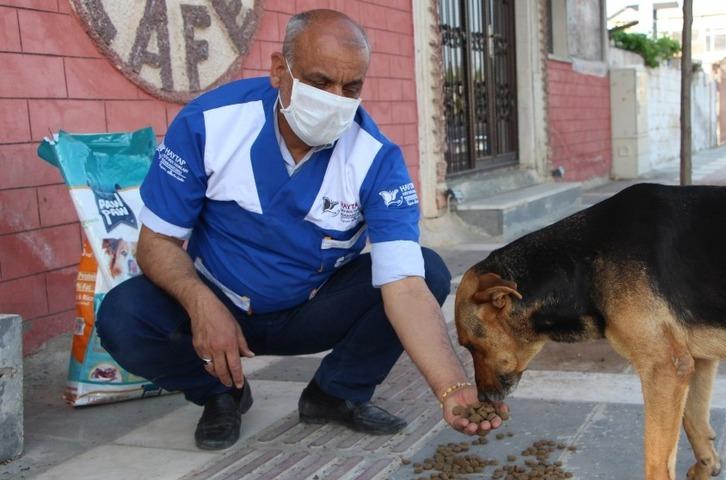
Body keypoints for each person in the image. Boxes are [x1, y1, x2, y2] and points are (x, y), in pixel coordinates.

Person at [96, 9, 506, 450]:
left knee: (426, 271)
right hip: (218, 302)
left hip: (307, 311)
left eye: (351, 88)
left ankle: (335, 393)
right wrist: (200, 304)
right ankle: (220, 392)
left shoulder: (375, 159)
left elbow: (404, 285)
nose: (335, 100)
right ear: (279, 70)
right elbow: (156, 242)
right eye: (319, 82)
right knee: (123, 317)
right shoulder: (209, 124)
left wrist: (452, 386)